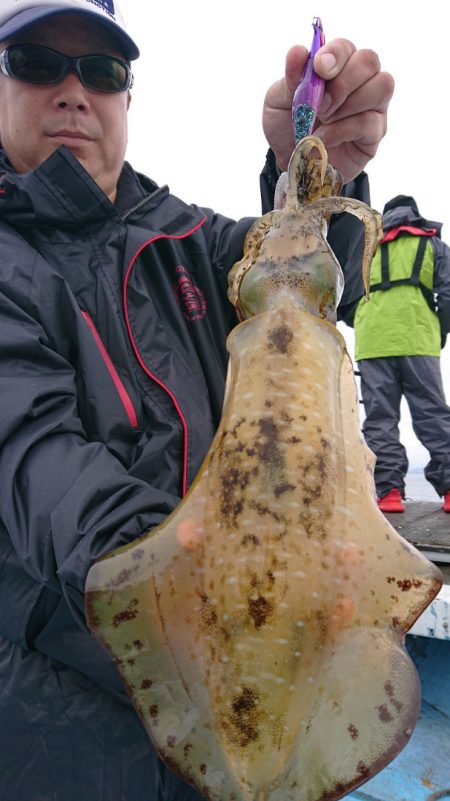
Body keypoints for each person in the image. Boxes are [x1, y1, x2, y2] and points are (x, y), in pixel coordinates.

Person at [0, 2, 394, 799]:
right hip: (62, 733)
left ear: (127, 99)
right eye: (38, 62)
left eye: (102, 71)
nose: (74, 91)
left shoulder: (191, 240)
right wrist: (223, 601)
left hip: (250, 660)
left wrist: (314, 172)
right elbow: (36, 461)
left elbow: (297, 273)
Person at [353, 195, 450, 513]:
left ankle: (389, 492)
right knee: (432, 414)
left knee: (380, 418)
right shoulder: (433, 246)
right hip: (418, 337)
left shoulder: (366, 246)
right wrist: (441, 331)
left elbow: (348, 295)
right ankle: (449, 491)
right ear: (415, 217)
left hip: (372, 342)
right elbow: (448, 294)